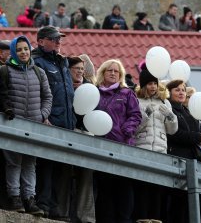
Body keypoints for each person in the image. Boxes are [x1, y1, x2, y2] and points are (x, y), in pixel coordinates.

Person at [0, 35, 52, 216]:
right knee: (13, 162)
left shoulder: (39, 72)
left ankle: (30, 199)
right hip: (12, 125)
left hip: (34, 125)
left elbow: (47, 97)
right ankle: (15, 197)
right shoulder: (5, 71)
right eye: (19, 49)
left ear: (30, 50)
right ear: (14, 51)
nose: (23, 52)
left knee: (30, 163)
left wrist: (42, 114)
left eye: (26, 49)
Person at [32, 26, 76, 221]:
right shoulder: (37, 62)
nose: (59, 42)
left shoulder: (63, 62)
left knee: (60, 168)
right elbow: (36, 93)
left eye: (60, 39)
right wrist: (43, 116)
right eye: (54, 39)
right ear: (41, 41)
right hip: (48, 122)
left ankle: (55, 207)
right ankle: (43, 204)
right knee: (45, 166)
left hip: (65, 124)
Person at [94, 59, 142, 223]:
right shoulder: (95, 93)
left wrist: (127, 130)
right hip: (100, 145)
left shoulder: (127, 93)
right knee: (105, 188)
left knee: (123, 187)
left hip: (123, 146)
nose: (113, 73)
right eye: (109, 70)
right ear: (103, 73)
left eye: (116, 71)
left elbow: (136, 115)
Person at [134, 67, 178, 222]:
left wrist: (171, 117)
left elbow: (172, 131)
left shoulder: (165, 102)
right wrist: (145, 115)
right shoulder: (136, 100)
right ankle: (142, 218)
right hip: (142, 148)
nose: (153, 86)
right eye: (149, 83)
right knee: (143, 186)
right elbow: (134, 128)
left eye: (155, 83)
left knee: (157, 187)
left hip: (160, 149)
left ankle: (155, 219)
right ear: (144, 85)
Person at [166, 80, 201, 223]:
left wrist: (200, 137)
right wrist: (197, 137)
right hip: (177, 160)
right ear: (169, 92)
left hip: (192, 161)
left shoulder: (188, 112)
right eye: (177, 90)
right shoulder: (170, 110)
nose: (182, 92)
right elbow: (175, 134)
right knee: (177, 205)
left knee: (189, 205)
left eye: (183, 89)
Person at [68, 56, 96, 223]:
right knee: (65, 175)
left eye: (82, 69)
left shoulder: (90, 89)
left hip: (86, 137)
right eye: (77, 68)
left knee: (86, 179)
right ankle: (63, 213)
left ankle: (86, 218)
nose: (80, 72)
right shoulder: (65, 86)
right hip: (67, 133)